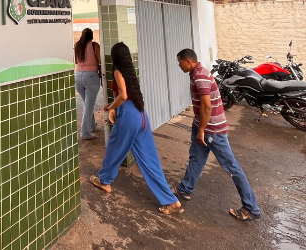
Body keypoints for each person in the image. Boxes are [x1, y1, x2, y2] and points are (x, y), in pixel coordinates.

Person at [90, 42, 183, 215]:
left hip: (128, 118)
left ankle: (105, 182)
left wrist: (110, 107)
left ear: (115, 57)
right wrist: (114, 106)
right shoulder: (130, 72)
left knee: (114, 150)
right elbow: (128, 96)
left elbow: (123, 95)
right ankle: (171, 201)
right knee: (149, 160)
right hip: (141, 116)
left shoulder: (118, 72)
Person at [175, 48, 261, 221]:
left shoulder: (200, 77)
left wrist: (201, 130)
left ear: (189, 62)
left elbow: (207, 106)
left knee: (231, 167)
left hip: (212, 129)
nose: (179, 65)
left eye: (180, 62)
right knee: (196, 158)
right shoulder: (196, 73)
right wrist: (198, 126)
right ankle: (185, 189)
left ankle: (251, 208)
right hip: (203, 125)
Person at [74, 28, 101, 140]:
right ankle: (85, 133)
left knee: (87, 103)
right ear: (91, 35)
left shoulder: (77, 46)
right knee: (89, 105)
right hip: (90, 77)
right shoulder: (95, 45)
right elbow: (100, 60)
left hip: (78, 76)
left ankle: (92, 125)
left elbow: (76, 61)